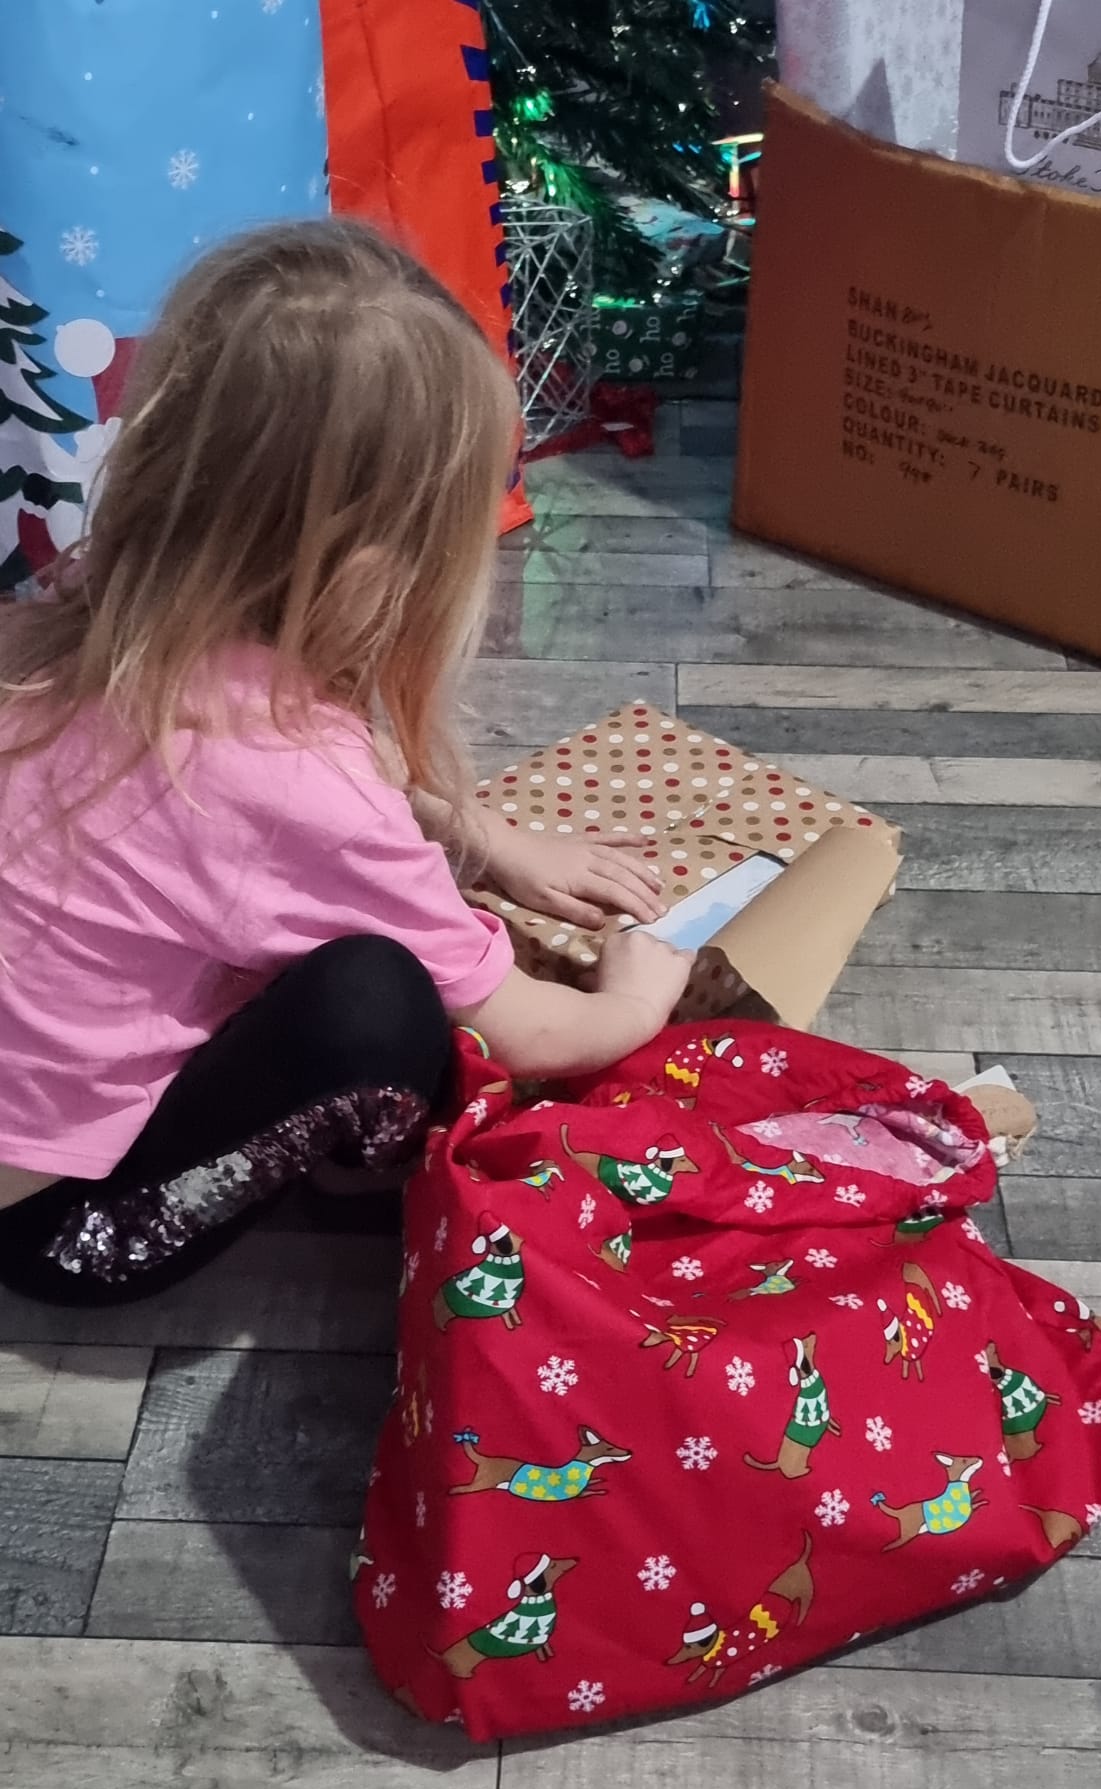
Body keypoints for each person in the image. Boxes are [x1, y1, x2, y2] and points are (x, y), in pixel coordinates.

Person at [0, 219, 692, 1308]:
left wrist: (486, 835)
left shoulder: (80, 617)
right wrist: (642, 997)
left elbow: (301, 779)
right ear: (373, 564)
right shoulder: (288, 776)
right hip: (74, 1228)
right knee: (380, 1003)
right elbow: (536, 1028)